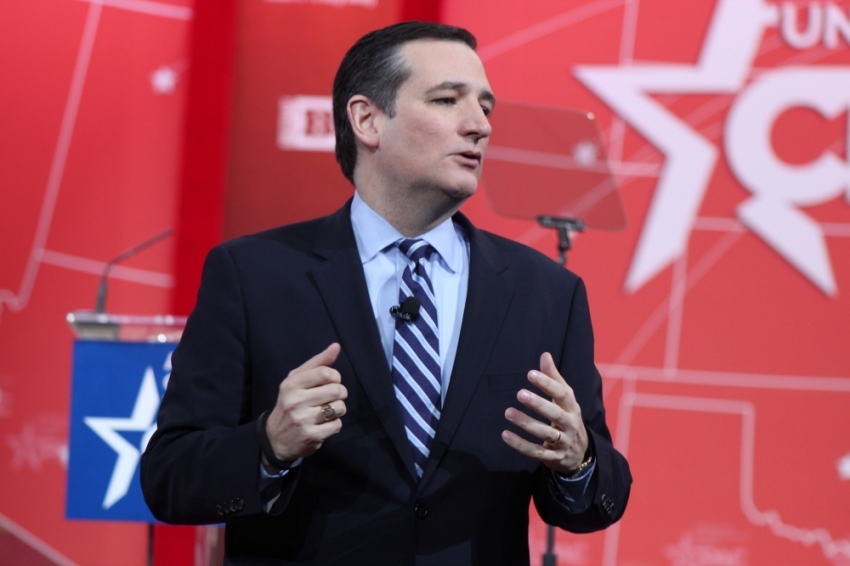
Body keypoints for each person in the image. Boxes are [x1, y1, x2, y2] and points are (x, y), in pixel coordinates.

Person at [141, 21, 631, 566]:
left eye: (485, 107)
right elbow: (169, 477)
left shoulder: (547, 292)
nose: (479, 125)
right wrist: (269, 445)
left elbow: (598, 501)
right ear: (367, 120)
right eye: (447, 100)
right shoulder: (253, 275)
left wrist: (579, 460)